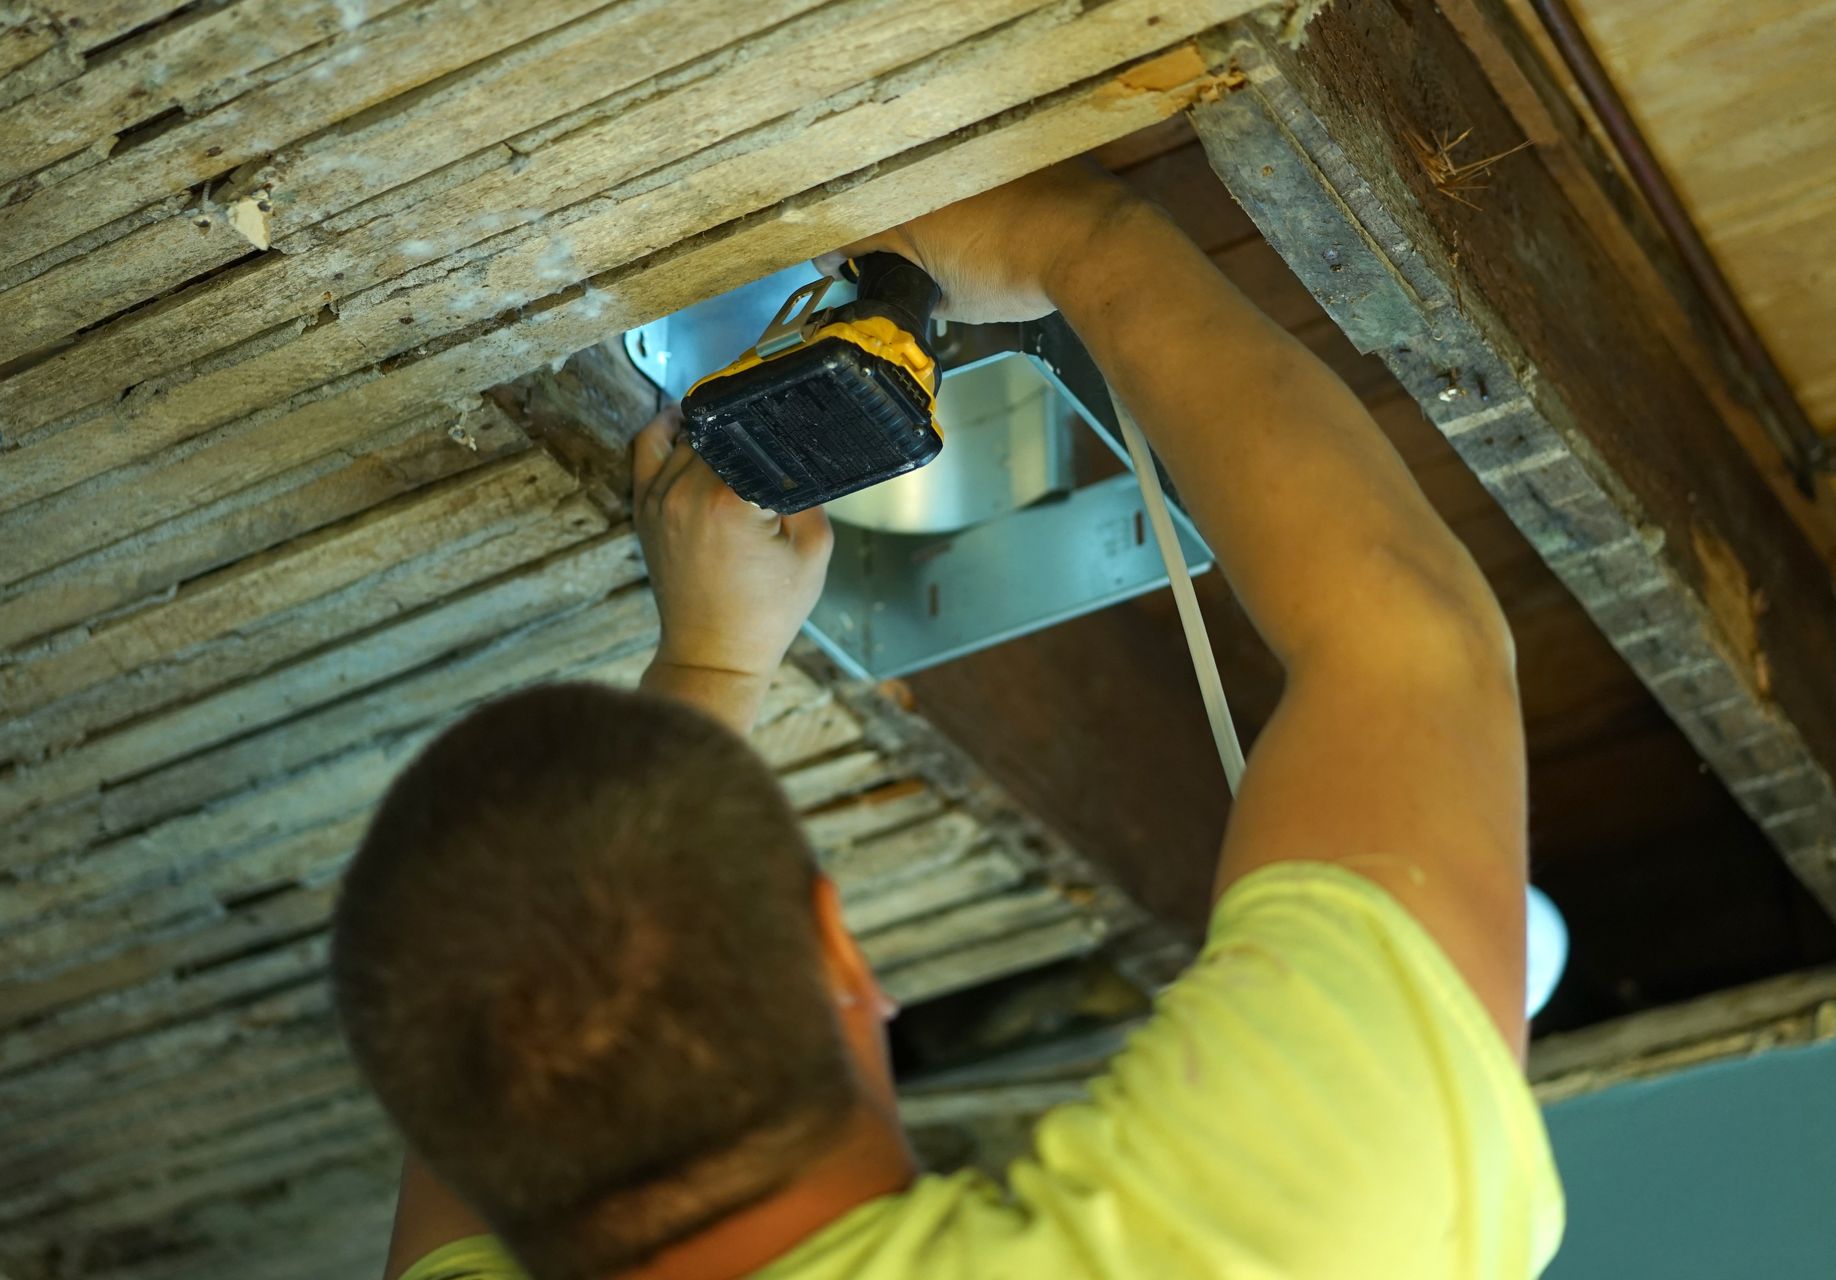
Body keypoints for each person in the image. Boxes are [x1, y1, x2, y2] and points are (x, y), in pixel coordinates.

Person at [330, 163, 1565, 1280]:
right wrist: (1082, 235)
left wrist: (714, 653)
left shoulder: (1303, 1234)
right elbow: (1410, 645)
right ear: (837, 952)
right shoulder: (1284, 1226)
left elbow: (1415, 654)